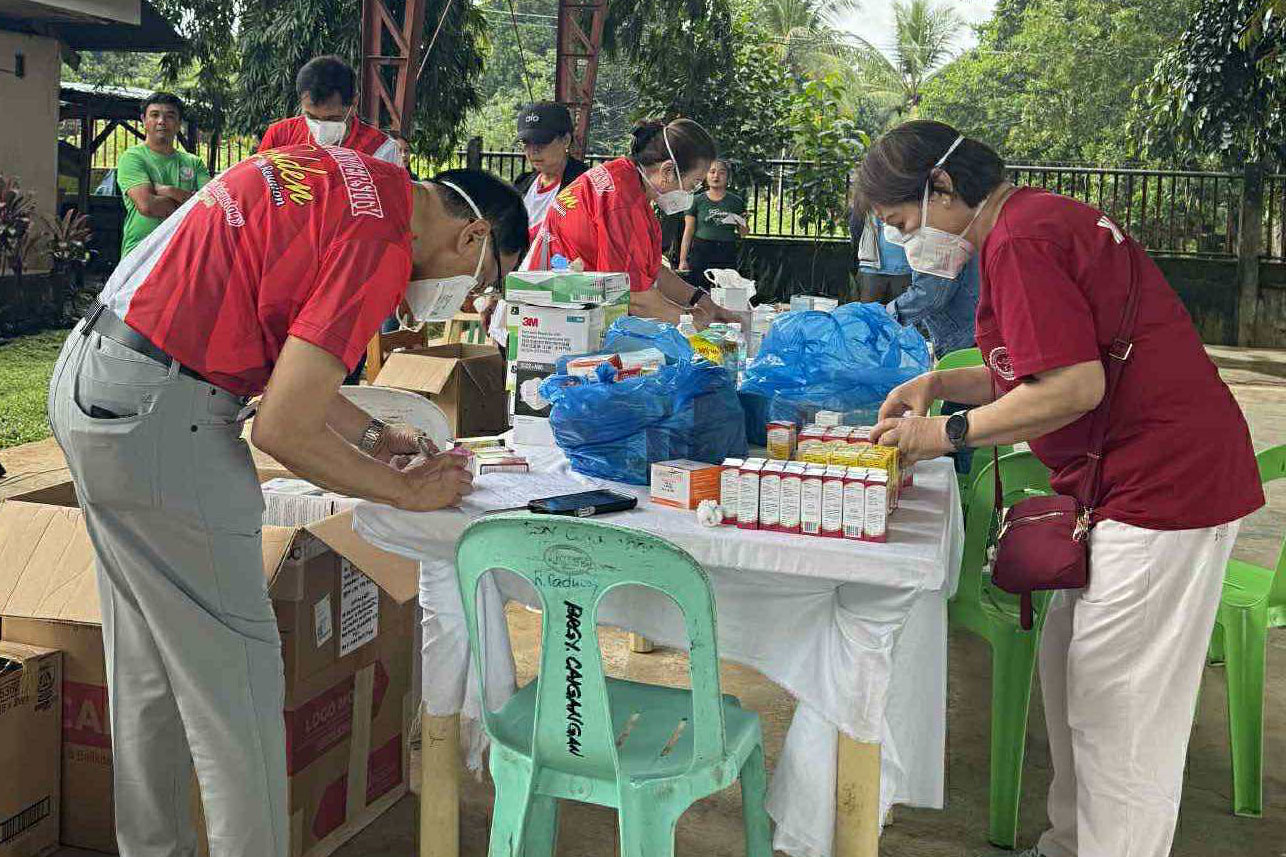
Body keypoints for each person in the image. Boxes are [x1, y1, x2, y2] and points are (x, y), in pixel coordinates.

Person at [46, 145, 527, 857]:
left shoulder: (356, 185)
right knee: (238, 690)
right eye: (482, 282)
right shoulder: (384, 245)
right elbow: (284, 429)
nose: (467, 296)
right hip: (161, 414)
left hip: (99, 381)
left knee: (147, 664)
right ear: (473, 236)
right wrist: (408, 489)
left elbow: (290, 364)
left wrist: (370, 432)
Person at [860, 120, 1263, 857]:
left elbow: (1074, 384)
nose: (904, 242)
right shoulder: (1027, 223)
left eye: (901, 222)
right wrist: (939, 382)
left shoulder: (1020, 240)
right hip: (1124, 483)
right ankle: (1069, 843)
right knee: (1073, 674)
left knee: (1121, 713)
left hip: (1163, 486)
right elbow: (1033, 364)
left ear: (942, 188)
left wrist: (946, 433)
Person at [525, 118, 742, 327]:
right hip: (546, 318)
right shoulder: (622, 203)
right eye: (693, 183)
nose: (690, 193)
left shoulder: (626, 180)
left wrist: (703, 302)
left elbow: (649, 269)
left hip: (556, 306)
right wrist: (694, 323)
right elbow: (634, 296)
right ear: (667, 171)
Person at [484, 102, 590, 345]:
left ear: (566, 140)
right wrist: (494, 292)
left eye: (541, 143)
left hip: (563, 303)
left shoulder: (584, 185)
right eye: (527, 144)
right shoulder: (522, 185)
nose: (533, 151)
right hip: (517, 298)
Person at [257, 55, 400, 164]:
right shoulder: (280, 137)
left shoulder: (381, 151)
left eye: (332, 118)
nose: (320, 127)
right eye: (311, 117)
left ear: (354, 103)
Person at [117, 92, 210, 258]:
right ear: (144, 121)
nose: (161, 121)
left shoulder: (194, 163)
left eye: (170, 116)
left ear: (178, 123)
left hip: (184, 254)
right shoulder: (132, 157)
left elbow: (210, 208)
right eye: (154, 115)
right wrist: (189, 201)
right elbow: (148, 205)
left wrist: (169, 191)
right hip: (140, 254)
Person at [677, 158, 748, 287]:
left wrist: (743, 222)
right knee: (699, 290)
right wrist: (683, 260)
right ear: (706, 176)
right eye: (712, 172)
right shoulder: (696, 200)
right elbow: (688, 231)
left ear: (727, 177)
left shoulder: (736, 202)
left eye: (721, 172)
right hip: (701, 251)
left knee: (725, 290)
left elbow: (743, 233)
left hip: (726, 251)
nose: (716, 176)